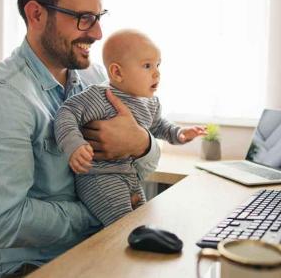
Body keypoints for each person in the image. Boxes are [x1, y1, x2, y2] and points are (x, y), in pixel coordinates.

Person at [0, 0, 161, 278]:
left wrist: (142, 144)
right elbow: (0, 223)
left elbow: (144, 163)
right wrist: (99, 211)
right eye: (83, 18)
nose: (97, 33)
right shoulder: (1, 98)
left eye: (98, 16)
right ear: (36, 14)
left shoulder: (97, 81)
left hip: (98, 252)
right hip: (32, 269)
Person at [54, 30, 206, 226]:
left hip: (130, 177)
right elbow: (66, 113)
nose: (157, 72)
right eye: (147, 66)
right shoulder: (100, 96)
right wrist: (74, 144)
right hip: (100, 178)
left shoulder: (150, 103)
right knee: (125, 228)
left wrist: (179, 133)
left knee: (142, 221)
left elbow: (159, 125)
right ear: (117, 72)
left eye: (158, 64)